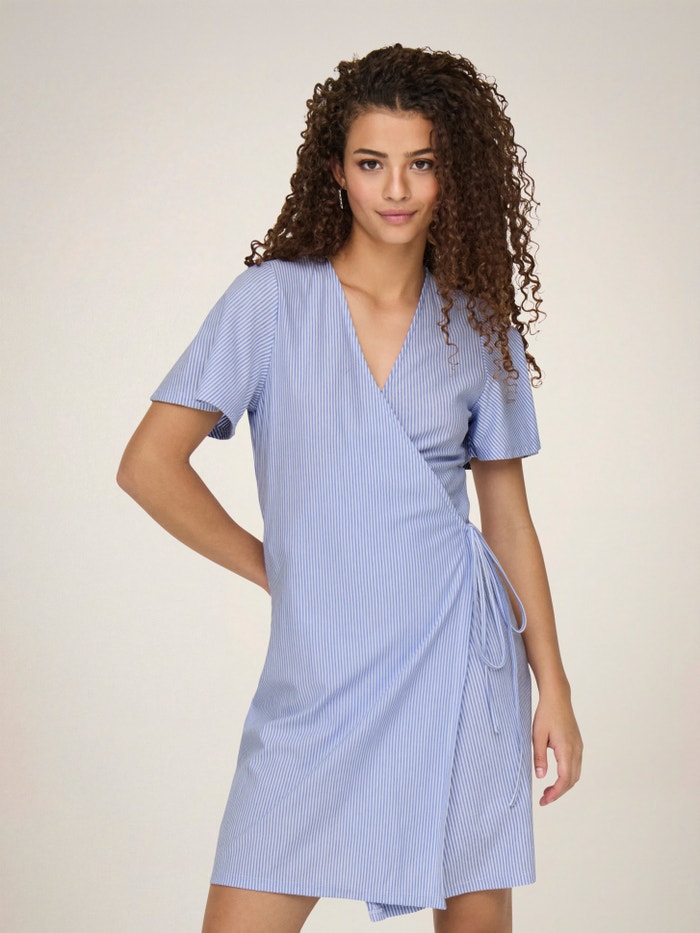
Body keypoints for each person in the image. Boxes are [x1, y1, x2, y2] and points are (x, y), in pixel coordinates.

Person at [117, 44, 583, 933]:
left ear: (453, 174)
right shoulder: (270, 304)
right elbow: (148, 464)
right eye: (372, 163)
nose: (396, 188)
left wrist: (553, 685)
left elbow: (509, 524)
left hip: (459, 657)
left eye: (422, 163)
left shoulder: (479, 327)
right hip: (321, 674)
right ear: (336, 171)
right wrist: (273, 565)